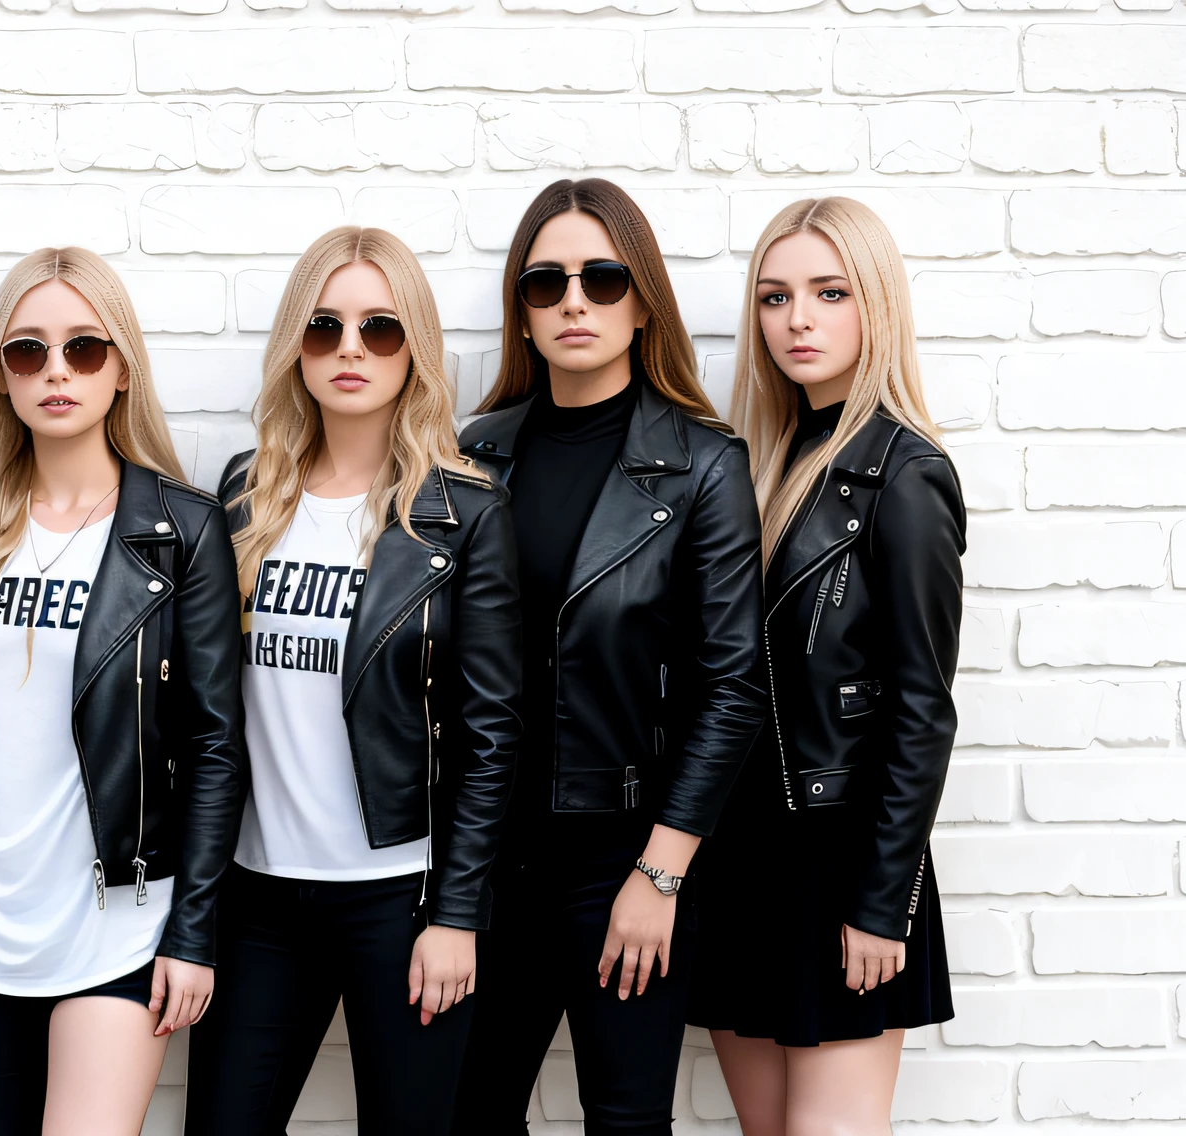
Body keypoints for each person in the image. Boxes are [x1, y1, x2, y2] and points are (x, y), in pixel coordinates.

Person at [0, 247, 246, 1136]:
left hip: (119, 922)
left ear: (121, 370)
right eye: (28, 351)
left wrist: (193, 932)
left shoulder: (180, 530)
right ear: (1, 376)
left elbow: (214, 746)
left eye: (83, 348)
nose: (56, 371)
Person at [185, 226, 521, 1136]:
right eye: (324, 327)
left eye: (380, 328)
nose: (350, 350)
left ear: (414, 349)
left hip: (400, 900)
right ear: (296, 346)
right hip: (259, 896)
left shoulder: (463, 513)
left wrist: (457, 914)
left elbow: (492, 732)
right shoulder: (246, 497)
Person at [452, 178, 767, 1135]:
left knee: (626, 1120)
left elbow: (733, 687)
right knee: (466, 1115)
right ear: (523, 310)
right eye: (546, 283)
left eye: (603, 278)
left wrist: (659, 874)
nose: (574, 301)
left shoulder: (704, 464)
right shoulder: (475, 456)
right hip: (491, 859)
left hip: (623, 855)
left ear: (641, 304)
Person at [688, 197, 964, 1136]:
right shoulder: (759, 466)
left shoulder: (905, 474)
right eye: (774, 297)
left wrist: (882, 904)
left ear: (874, 303)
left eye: (828, 292)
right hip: (742, 859)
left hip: (842, 860)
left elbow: (923, 710)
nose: (796, 319)